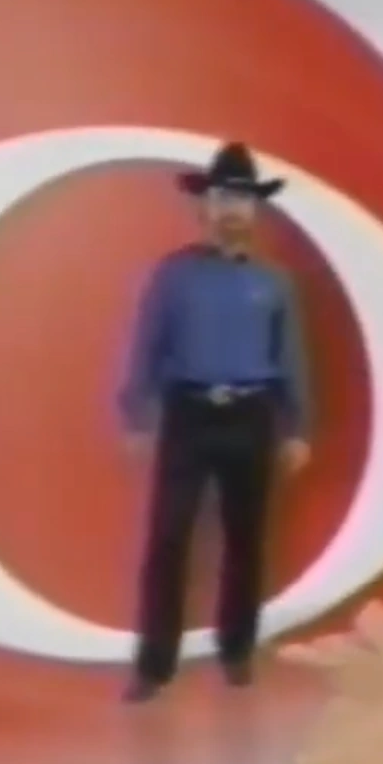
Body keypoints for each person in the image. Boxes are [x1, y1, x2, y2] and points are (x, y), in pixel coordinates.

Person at [118, 141, 314, 703]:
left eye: (243, 200)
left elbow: (290, 358)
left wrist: (298, 427)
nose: (233, 209)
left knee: (245, 540)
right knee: (168, 539)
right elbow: (147, 346)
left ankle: (237, 651)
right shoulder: (173, 276)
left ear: (256, 210)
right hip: (188, 414)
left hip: (251, 417)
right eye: (224, 198)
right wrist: (135, 414)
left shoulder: (275, 283)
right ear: (205, 206)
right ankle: (154, 666)